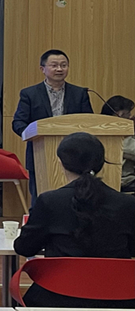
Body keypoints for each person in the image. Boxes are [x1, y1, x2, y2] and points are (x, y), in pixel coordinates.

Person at [14, 132, 135, 308]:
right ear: (101, 163)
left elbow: (24, 247)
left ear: (61, 162)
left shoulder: (50, 201)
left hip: (57, 296)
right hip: (117, 298)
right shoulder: (127, 203)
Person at [12, 49, 93, 206]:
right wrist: (32, 134)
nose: (59, 69)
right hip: (40, 152)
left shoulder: (79, 93)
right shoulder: (29, 94)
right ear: (42, 69)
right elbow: (18, 123)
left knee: (76, 199)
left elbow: (88, 121)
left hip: (74, 154)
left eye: (63, 65)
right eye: (54, 65)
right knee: (40, 199)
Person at [100, 95, 135, 191]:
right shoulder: (112, 135)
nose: (130, 117)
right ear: (118, 115)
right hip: (122, 182)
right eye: (127, 113)